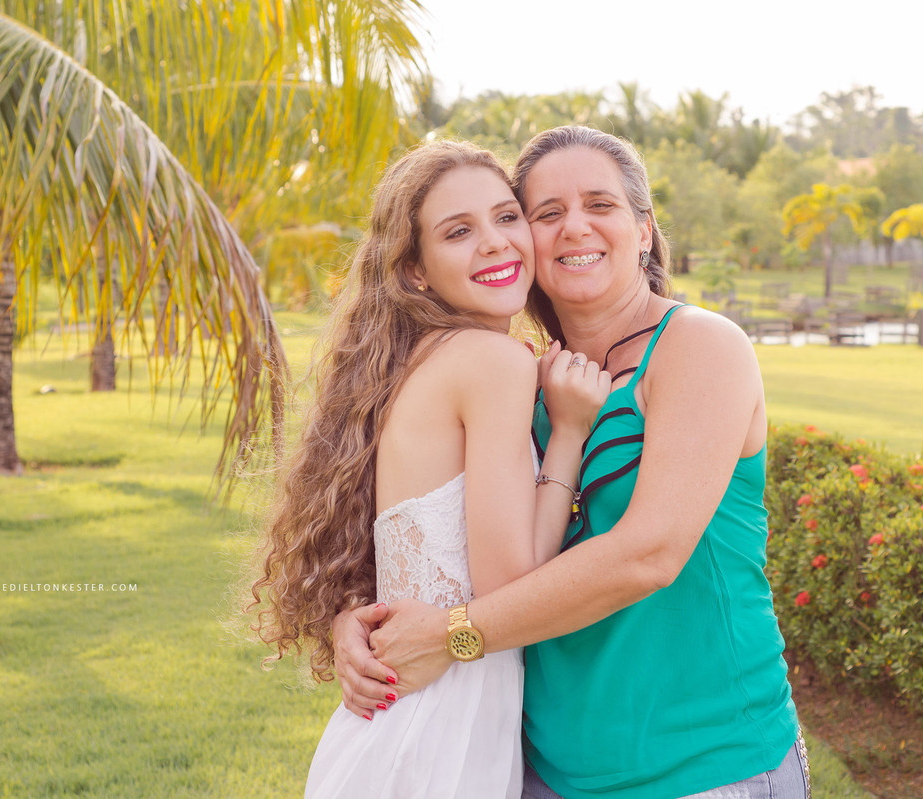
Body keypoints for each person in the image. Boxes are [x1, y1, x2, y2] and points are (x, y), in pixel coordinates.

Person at [334, 126, 809, 799]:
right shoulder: (522, 380)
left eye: (600, 205)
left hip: (706, 766)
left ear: (644, 230)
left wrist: (451, 636)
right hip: (538, 770)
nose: (573, 227)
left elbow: (649, 552)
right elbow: (427, 529)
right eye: (546, 213)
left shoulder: (700, 347)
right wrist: (355, 622)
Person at [248, 140, 610, 798]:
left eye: (506, 217)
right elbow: (511, 580)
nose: (497, 244)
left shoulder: (416, 358)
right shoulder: (491, 362)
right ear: (415, 269)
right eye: (458, 231)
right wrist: (570, 432)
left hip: (401, 727)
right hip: (441, 731)